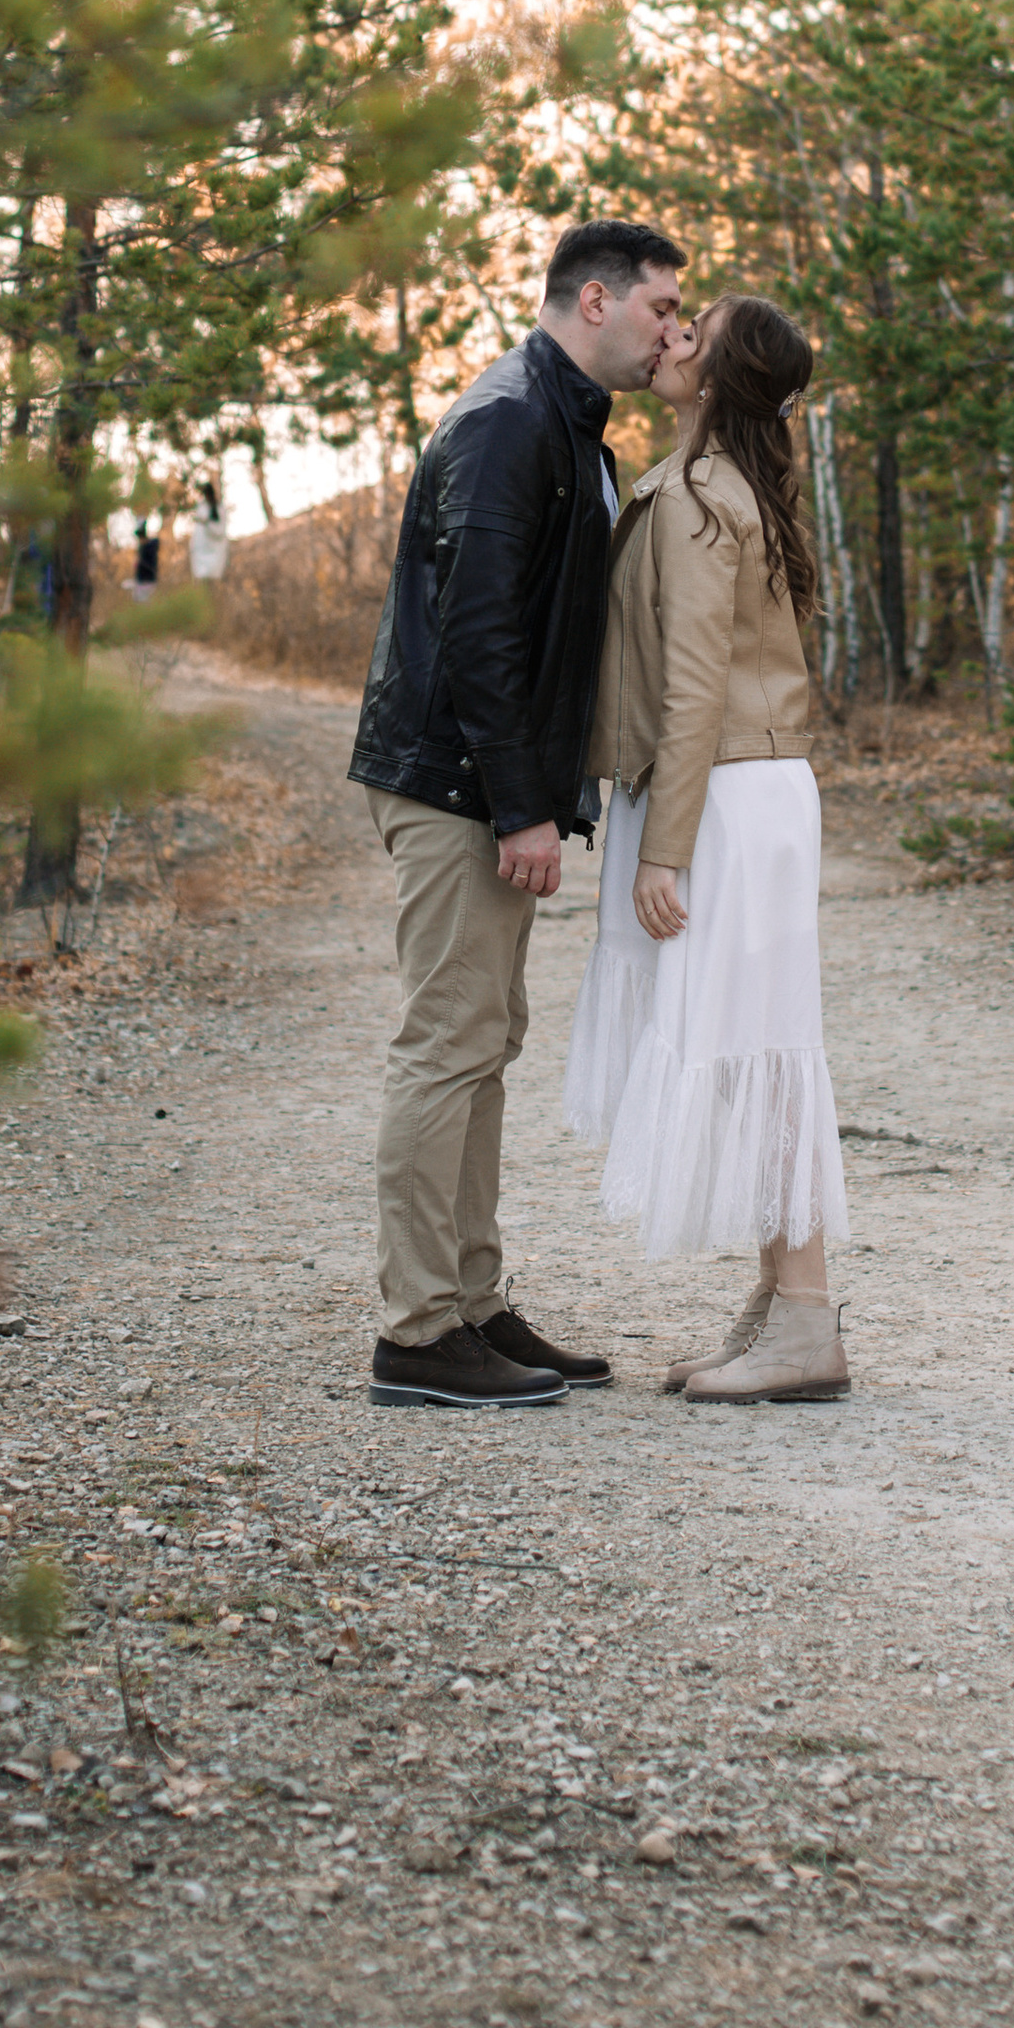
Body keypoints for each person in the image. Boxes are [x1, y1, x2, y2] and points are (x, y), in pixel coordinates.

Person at [349, 219, 687, 1407]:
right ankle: (416, 1332)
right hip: (455, 783)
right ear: (595, 300)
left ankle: (473, 1305)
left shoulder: (567, 422)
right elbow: (477, 630)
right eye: (660, 308)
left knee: (483, 1043)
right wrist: (515, 807)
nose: (670, 333)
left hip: (482, 785)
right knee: (448, 1043)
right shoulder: (507, 420)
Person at [563, 294, 851, 1402]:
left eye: (695, 334)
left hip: (724, 797)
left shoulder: (696, 497)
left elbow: (692, 691)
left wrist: (661, 851)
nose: (671, 338)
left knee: (758, 1056)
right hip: (745, 790)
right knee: (754, 1050)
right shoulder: (719, 483)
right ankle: (783, 1310)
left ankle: (807, 1320)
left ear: (721, 379)